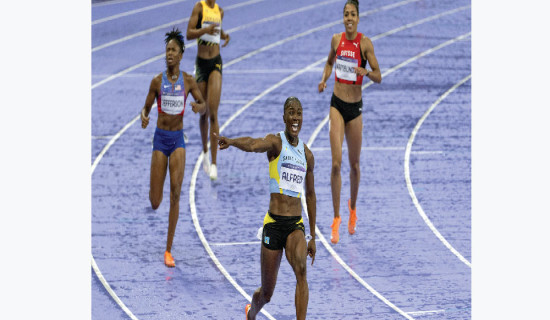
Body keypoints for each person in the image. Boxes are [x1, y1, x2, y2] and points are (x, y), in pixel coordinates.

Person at [214, 97, 316, 320]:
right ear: (284, 118)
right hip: (273, 225)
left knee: (301, 272)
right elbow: (252, 144)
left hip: (295, 226)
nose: (295, 117)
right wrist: (231, 142)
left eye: (298, 112)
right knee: (267, 293)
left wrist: (312, 236)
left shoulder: (307, 155)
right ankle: (252, 311)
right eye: (291, 112)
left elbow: (310, 195)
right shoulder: (276, 143)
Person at [140, 28, 206, 267]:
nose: (169, 54)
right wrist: (144, 117)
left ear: (180, 55)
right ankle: (154, 198)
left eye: (173, 50)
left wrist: (200, 107)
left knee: (176, 193)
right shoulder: (156, 82)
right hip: (160, 141)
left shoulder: (188, 81)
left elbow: (203, 103)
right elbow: (145, 109)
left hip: (178, 141)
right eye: (167, 50)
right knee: (156, 201)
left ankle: (168, 249)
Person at [318, 0, 382, 244]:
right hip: (337, 104)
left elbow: (379, 76)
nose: (349, 18)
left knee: (354, 165)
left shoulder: (365, 44)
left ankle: (352, 208)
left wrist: (366, 73)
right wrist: (324, 79)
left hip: (355, 109)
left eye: (353, 14)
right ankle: (336, 219)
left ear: (358, 17)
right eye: (346, 14)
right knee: (336, 164)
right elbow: (328, 62)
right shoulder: (336, 40)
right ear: (343, 18)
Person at [186, 0, 230, 180]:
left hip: (216, 63)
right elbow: (189, 34)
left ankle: (214, 163)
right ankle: (204, 151)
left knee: (213, 112)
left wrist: (225, 35)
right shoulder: (199, 7)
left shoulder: (220, 11)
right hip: (201, 64)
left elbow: (217, 33)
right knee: (203, 113)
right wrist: (204, 31)